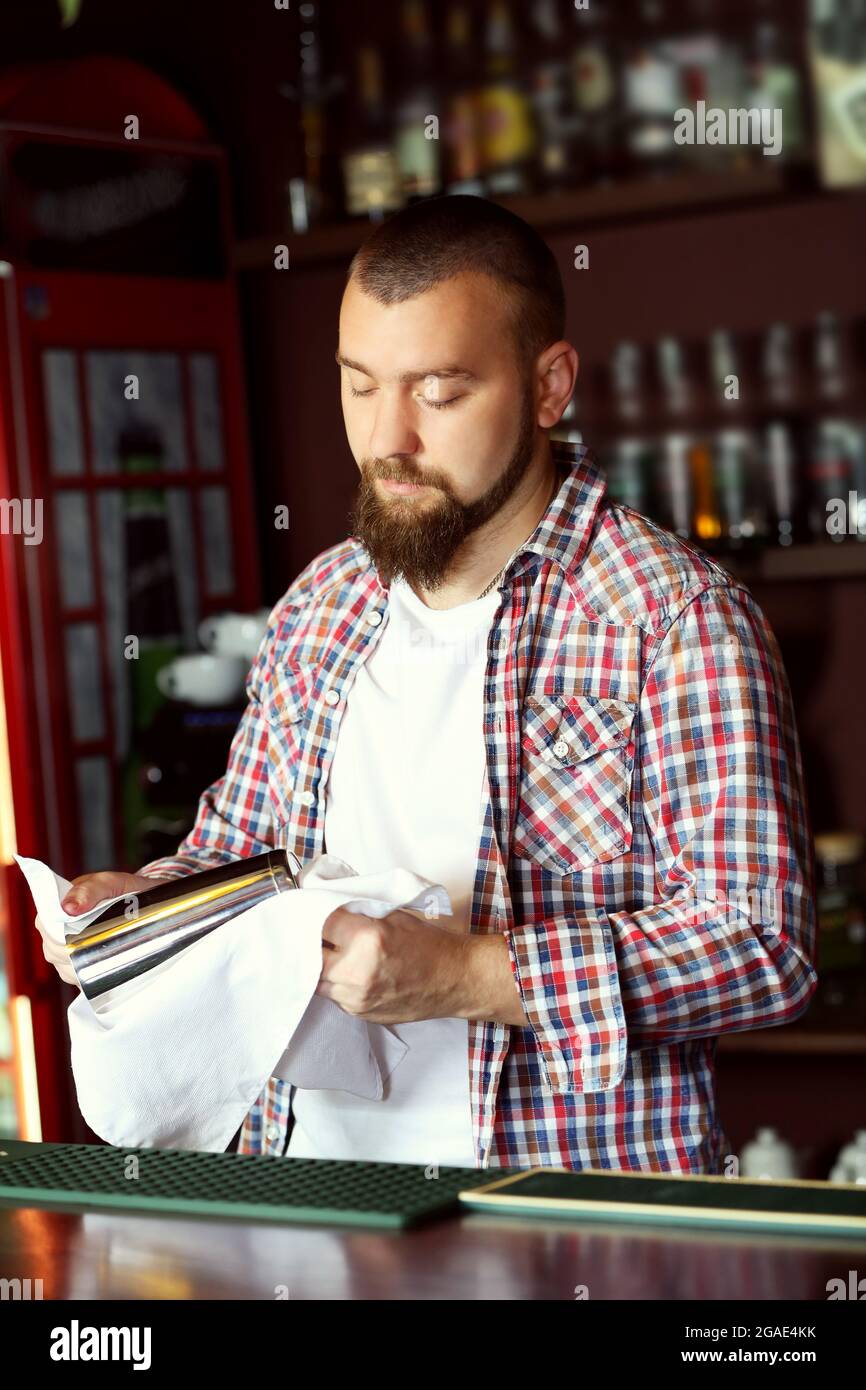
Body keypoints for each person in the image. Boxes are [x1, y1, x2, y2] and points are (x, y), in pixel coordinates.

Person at [49, 195, 817, 1173]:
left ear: (548, 386)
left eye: (438, 392)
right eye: (358, 385)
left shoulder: (672, 620)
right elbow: (235, 860)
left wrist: (467, 975)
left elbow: (762, 949)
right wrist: (145, 908)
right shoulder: (318, 608)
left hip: (559, 1226)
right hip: (307, 1201)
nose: (387, 439)